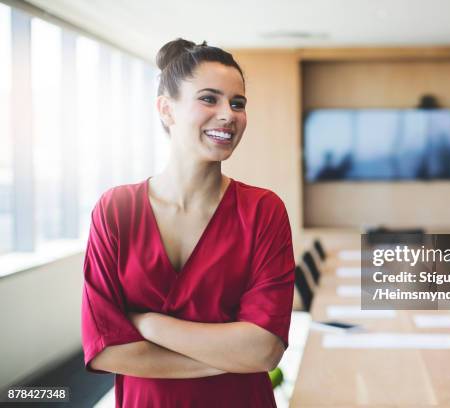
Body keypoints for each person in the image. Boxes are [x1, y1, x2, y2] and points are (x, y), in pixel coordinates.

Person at [81, 38, 295, 407]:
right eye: (209, 98)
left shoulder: (263, 210)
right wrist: (231, 355)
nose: (229, 113)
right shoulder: (115, 210)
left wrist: (148, 324)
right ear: (166, 109)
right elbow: (105, 352)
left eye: (238, 103)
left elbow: (263, 351)